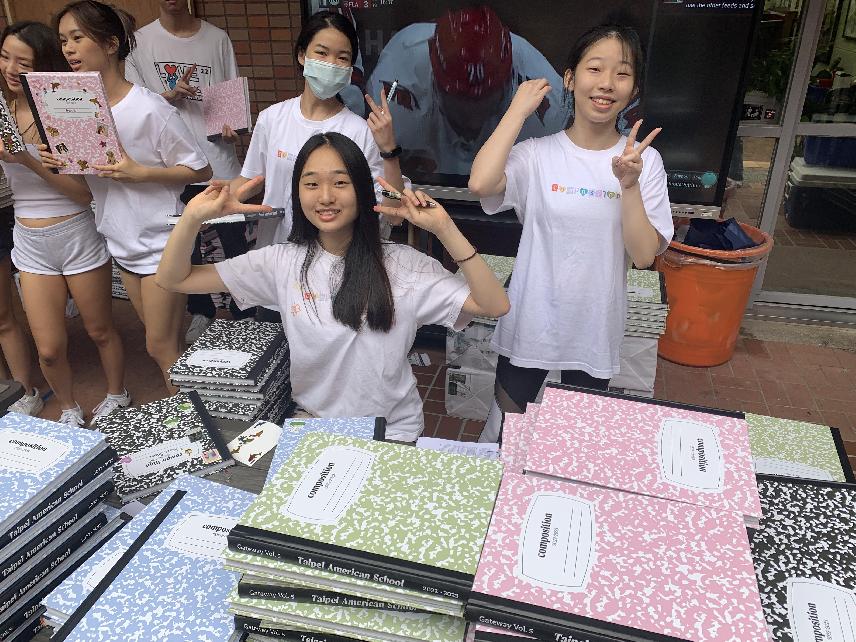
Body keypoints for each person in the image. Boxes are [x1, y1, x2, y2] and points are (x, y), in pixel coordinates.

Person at [156, 132, 510, 442]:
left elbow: (494, 306)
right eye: (311, 184)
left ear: (362, 189)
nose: (325, 196)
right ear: (297, 193)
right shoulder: (281, 262)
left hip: (393, 432)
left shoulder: (405, 265)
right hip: (315, 427)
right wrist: (192, 218)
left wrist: (445, 229)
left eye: (340, 182)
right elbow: (174, 279)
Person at [468, 24, 674, 442]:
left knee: (576, 444)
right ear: (570, 78)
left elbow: (643, 256)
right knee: (507, 436)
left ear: (634, 89)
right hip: (531, 321)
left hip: (594, 326)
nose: (607, 83)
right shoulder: (537, 155)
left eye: (622, 73)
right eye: (595, 69)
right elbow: (480, 184)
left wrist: (629, 185)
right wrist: (516, 112)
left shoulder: (644, 162)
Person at [44, 0, 212, 399]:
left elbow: (200, 170)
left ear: (110, 44)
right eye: (63, 40)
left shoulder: (150, 107)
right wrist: (59, 163)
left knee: (160, 346)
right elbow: (91, 186)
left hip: (161, 243)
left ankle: (191, 424)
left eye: (78, 38)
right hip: (121, 240)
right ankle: (197, 408)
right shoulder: (76, 110)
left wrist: (143, 172)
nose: (68, 49)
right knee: (165, 345)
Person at [0, 20, 126, 424]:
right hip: (29, 239)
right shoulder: (2, 112)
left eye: (23, 63)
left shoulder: (65, 111)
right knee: (49, 349)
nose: (10, 69)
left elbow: (84, 193)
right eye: (4, 57)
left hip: (76, 232)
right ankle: (68, 407)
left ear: (43, 66)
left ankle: (117, 393)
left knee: (100, 330)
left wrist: (26, 160)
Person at [224, 10, 407, 256]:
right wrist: (213, 203)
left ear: (350, 68)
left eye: (342, 57)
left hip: (336, 260)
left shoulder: (361, 132)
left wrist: (389, 151)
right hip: (275, 256)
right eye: (321, 53)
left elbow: (392, 212)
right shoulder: (272, 118)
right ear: (302, 55)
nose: (331, 63)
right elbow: (250, 181)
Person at [124, 0, 255, 343]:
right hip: (173, 167)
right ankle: (201, 311)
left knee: (234, 240)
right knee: (188, 245)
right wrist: (168, 96)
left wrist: (234, 129)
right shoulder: (139, 42)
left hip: (220, 161)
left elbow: (231, 103)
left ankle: (245, 310)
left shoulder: (216, 38)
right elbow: (132, 105)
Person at [365, 5, 571, 177]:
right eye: (460, 101)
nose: (472, 118)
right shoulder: (399, 82)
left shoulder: (546, 108)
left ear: (508, 79)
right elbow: (379, 172)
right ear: (434, 78)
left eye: (486, 100)